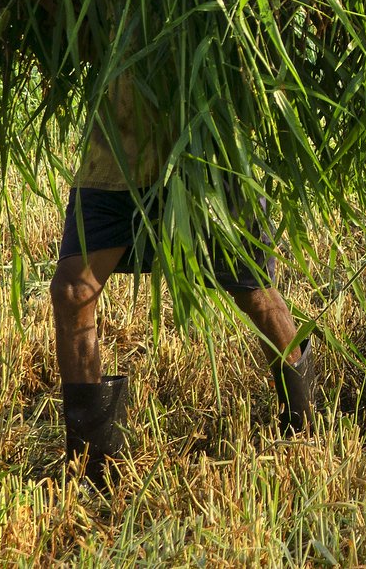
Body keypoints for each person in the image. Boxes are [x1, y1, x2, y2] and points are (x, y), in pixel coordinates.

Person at [50, 80, 315, 486]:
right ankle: (93, 466)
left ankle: (304, 425)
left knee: (254, 292)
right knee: (73, 291)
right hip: (116, 149)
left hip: (206, 151)